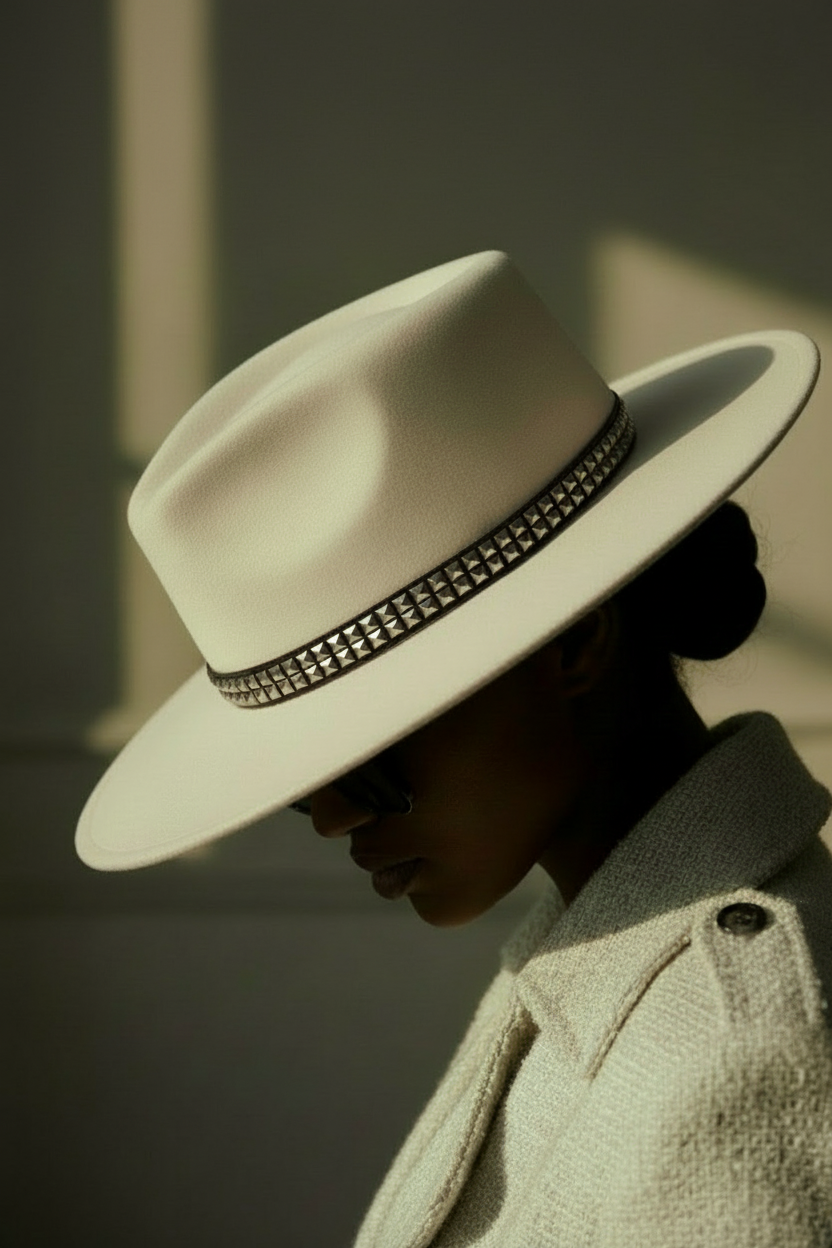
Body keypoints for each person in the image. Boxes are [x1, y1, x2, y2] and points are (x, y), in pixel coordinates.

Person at [76, 251, 832, 1244]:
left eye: (369, 745)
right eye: (297, 777)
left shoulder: (731, 1057)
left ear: (575, 643)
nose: (332, 816)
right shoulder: (594, 972)